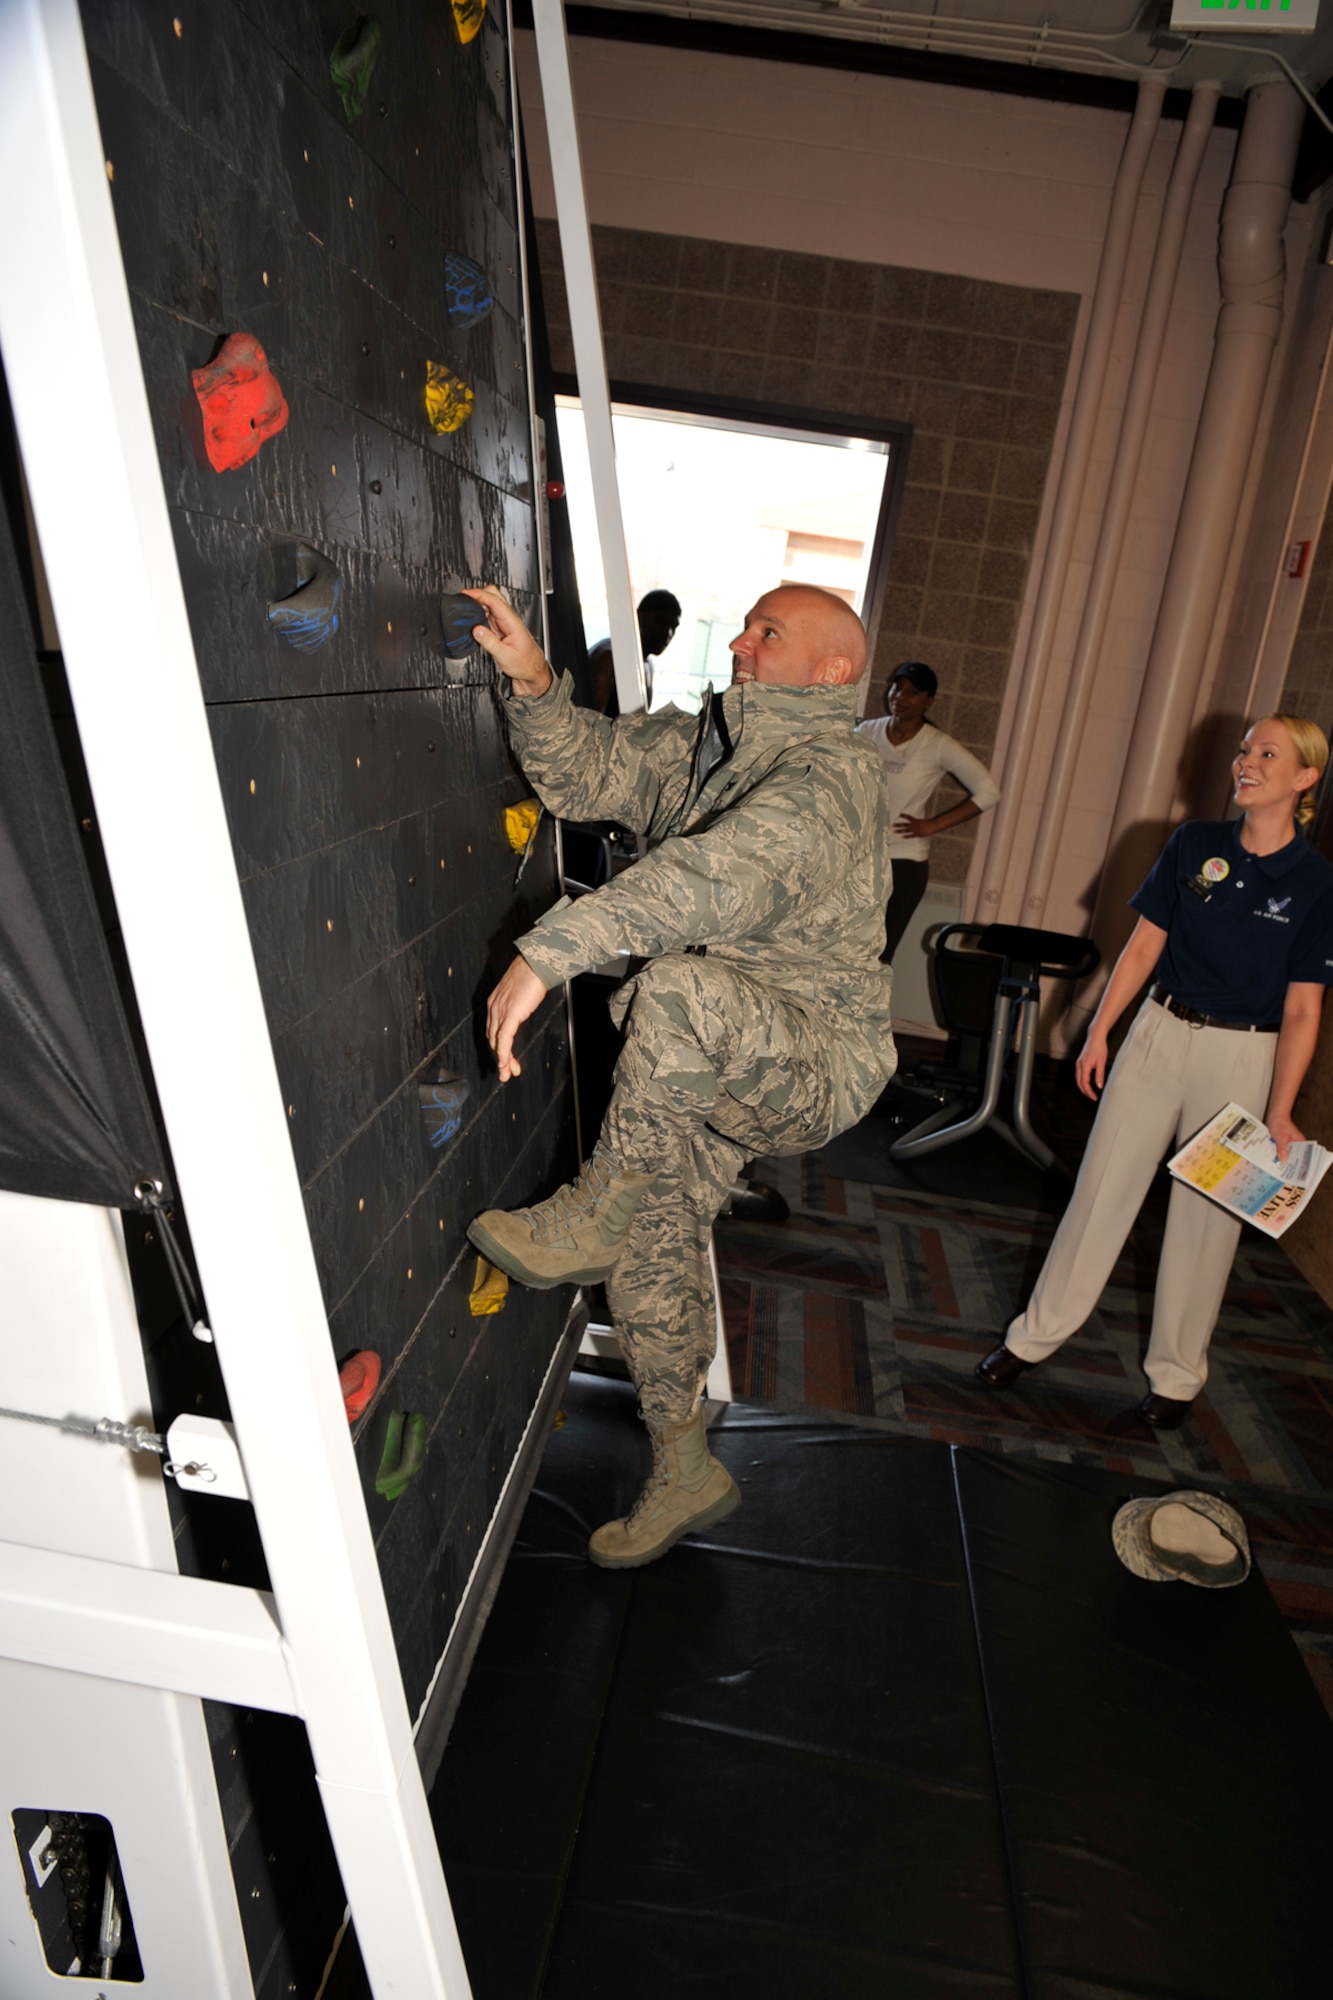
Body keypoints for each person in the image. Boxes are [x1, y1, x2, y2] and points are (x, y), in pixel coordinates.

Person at [462, 582, 895, 1565]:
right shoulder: (709, 744)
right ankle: (684, 1462)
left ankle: (592, 1207)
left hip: (811, 1061)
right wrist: (532, 680)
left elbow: (715, 875)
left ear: (831, 670)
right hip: (702, 1065)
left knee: (675, 991)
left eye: (767, 631)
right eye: (745, 625)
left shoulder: (831, 777)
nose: (739, 641)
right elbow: (590, 773)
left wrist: (551, 948)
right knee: (647, 1246)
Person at [975, 714, 1333, 1429]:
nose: (1245, 761)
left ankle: (1174, 1380)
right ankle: (1033, 1338)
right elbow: (1141, 946)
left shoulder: (1317, 881)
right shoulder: (1194, 844)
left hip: (1243, 1057)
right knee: (1101, 1190)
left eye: (1267, 753)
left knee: (1208, 1223)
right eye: (1243, 750)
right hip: (1156, 1034)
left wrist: (1282, 1109)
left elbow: (1302, 1011)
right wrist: (1099, 1029)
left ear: (1303, 779)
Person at [856, 662, 1001, 962]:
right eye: (897, 688)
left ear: (929, 701)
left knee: (877, 956)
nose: (901, 696)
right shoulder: (867, 731)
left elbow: (988, 792)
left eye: (913, 692)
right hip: (858, 859)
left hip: (903, 863)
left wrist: (933, 825)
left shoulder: (936, 745)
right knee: (841, 948)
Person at [586, 588, 681, 715]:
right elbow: (587, 724)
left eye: (673, 627)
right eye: (661, 622)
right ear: (639, 618)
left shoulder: (646, 665)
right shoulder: (610, 658)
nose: (668, 633)